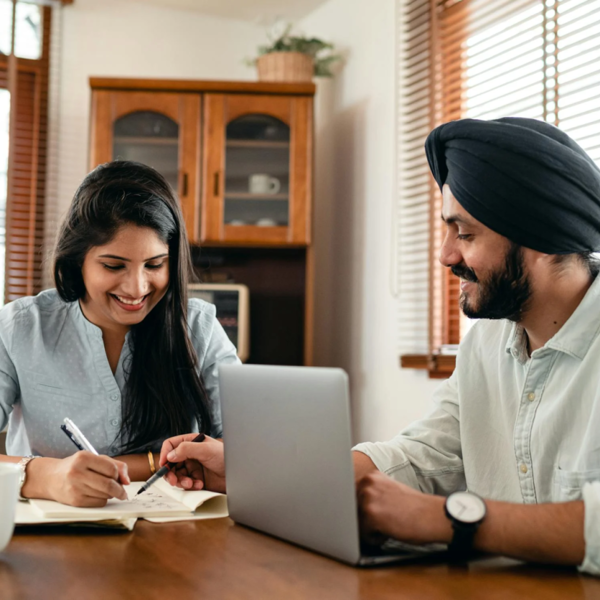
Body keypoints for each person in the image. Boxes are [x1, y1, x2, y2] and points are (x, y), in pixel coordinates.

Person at [161, 118, 600, 575]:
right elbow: (422, 457)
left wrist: (449, 521)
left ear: (543, 241)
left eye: (465, 234)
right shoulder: (486, 344)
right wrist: (258, 477)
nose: (445, 255)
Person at [0, 160, 239, 507]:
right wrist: (45, 476)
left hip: (175, 540)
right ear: (77, 259)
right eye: (113, 266)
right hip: (47, 543)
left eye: (155, 265)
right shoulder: (21, 327)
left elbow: (247, 453)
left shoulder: (199, 328)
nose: (138, 288)